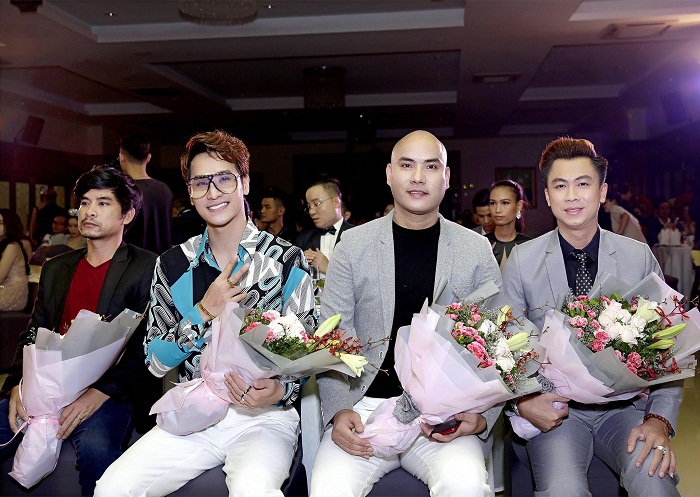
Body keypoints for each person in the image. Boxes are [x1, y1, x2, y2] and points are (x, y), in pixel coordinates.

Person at [95, 130, 317, 497]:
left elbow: (306, 353)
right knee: (112, 488)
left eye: (224, 179)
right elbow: (154, 361)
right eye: (200, 183)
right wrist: (203, 311)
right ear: (190, 192)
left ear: (245, 183)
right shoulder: (173, 264)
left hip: (262, 418)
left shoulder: (285, 261)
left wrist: (280, 389)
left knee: (254, 489)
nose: (213, 193)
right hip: (194, 412)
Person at [310, 130, 502, 497]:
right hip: (364, 407)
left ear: (446, 177)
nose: (417, 177)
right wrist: (337, 410)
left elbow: (497, 344)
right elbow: (332, 335)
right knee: (327, 489)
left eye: (430, 167)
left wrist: (482, 418)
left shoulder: (475, 249)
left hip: (445, 414)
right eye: (406, 165)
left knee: (466, 486)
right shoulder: (354, 245)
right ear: (389, 174)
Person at [494, 137, 681, 497]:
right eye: (559, 186)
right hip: (558, 410)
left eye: (583, 184)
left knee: (655, 483)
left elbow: (670, 347)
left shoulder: (637, 257)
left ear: (602, 192)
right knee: (562, 489)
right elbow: (505, 349)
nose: (572, 196)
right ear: (547, 196)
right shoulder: (523, 261)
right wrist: (523, 400)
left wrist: (659, 419)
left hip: (626, 408)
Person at [0, 166, 158, 496]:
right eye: (85, 203)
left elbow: (147, 346)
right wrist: (16, 383)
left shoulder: (146, 267)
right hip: (46, 384)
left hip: (109, 390)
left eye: (103, 203)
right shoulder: (57, 268)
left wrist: (98, 394)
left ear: (127, 214)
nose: (89, 211)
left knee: (97, 449)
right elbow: (34, 331)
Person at [119, 133, 174, 254]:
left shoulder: (123, 190)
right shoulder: (164, 189)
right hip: (162, 259)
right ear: (148, 157)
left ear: (121, 157)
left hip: (131, 259)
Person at [296, 177, 354, 275]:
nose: (311, 212)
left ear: (336, 202)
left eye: (316, 204)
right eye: (309, 207)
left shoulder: (357, 236)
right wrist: (300, 265)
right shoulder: (303, 239)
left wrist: (328, 269)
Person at [487, 180, 531, 269]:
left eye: (505, 203)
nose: (498, 210)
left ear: (519, 205)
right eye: (493, 203)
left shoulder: (531, 246)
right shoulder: (481, 245)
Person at [0, 209, 30, 311]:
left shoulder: (12, 246)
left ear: (9, 225)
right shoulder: (2, 244)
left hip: (13, 292)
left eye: (1, 223)